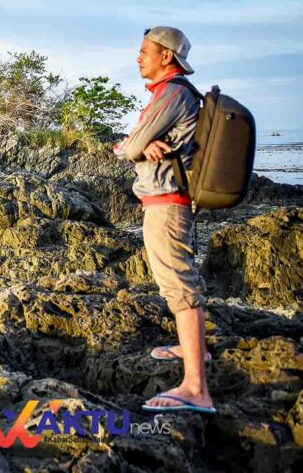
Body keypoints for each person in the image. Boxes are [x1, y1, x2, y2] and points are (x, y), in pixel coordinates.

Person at [114, 26, 215, 414]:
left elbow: (131, 147)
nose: (138, 57)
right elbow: (129, 144)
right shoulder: (168, 94)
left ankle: (196, 389)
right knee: (179, 279)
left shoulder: (173, 92)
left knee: (179, 286)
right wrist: (136, 144)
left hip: (168, 204)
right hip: (165, 201)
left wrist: (135, 146)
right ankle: (195, 350)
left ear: (166, 56)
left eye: (144, 51)